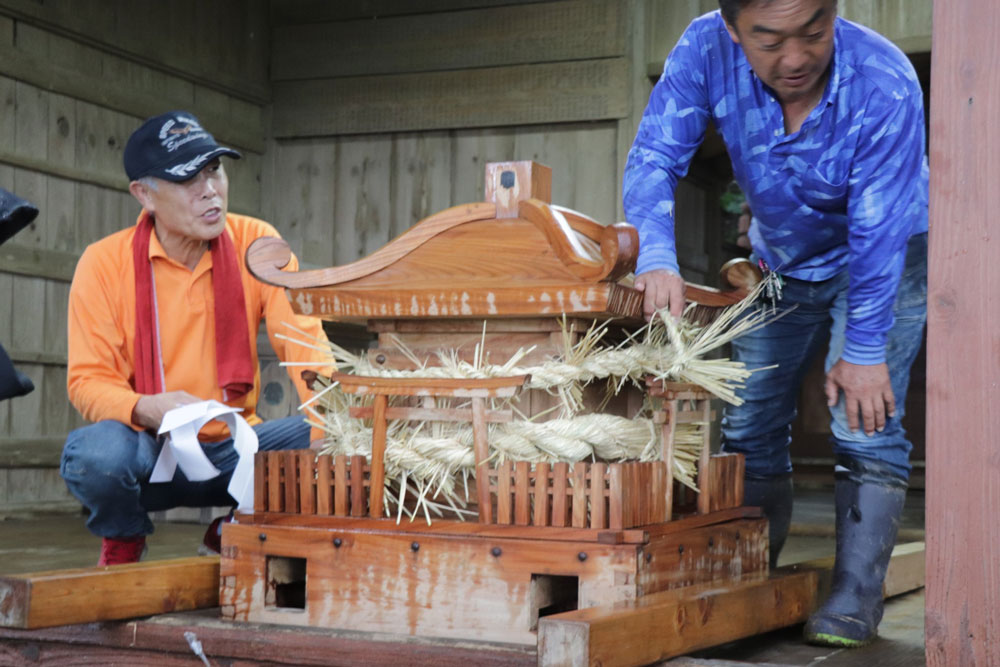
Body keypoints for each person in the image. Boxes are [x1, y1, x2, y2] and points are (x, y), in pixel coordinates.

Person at [623, 0, 927, 648]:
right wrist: (656, 256)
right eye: (769, 40)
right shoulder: (704, 48)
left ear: (834, 13)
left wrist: (863, 350)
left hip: (887, 254)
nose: (795, 58)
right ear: (733, 29)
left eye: (813, 32)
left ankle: (855, 596)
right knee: (749, 416)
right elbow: (654, 155)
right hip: (781, 259)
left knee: (863, 417)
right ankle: (754, 573)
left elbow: (877, 230)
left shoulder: (884, 80)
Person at [62, 111, 331, 566]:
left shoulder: (257, 244)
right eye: (188, 178)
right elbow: (87, 382)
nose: (210, 190)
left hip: (237, 448)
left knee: (345, 432)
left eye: (214, 170)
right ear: (144, 194)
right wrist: (147, 407)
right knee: (94, 455)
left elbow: (305, 343)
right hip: (149, 449)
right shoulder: (102, 263)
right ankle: (125, 537)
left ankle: (235, 526)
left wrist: (330, 426)